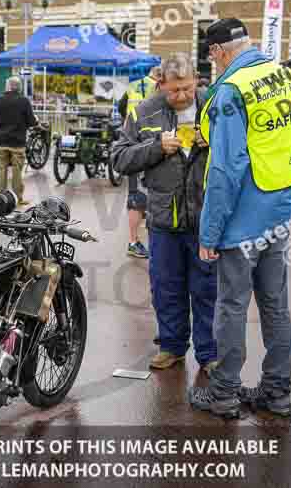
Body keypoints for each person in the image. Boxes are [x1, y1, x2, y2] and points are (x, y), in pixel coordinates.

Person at [187, 19, 291, 418]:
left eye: (212, 58)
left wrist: (210, 231)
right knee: (276, 305)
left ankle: (224, 391)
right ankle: (277, 392)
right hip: (277, 212)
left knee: (232, 306)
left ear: (218, 52)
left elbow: (226, 167)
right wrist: (289, 192)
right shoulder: (289, 80)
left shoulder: (231, 91)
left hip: (240, 218)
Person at [112, 53, 218, 374]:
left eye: (187, 88)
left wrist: (211, 141)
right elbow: (119, 157)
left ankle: (209, 352)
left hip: (205, 218)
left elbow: (240, 149)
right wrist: (157, 147)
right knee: (166, 287)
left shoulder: (213, 105)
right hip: (163, 219)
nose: (182, 96)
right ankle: (172, 346)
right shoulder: (145, 111)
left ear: (196, 80)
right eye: (174, 91)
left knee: (207, 288)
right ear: (161, 84)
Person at [118, 67, 161, 259]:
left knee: (136, 195)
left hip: (132, 142)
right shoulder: (158, 88)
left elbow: (121, 107)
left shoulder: (134, 85)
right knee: (141, 197)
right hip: (148, 144)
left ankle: (136, 240)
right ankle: (134, 242)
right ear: (160, 77)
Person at [0, 76, 39, 206]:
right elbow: (31, 122)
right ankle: (18, 198)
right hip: (18, 142)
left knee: (1, 168)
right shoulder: (24, 101)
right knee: (17, 170)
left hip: (1, 141)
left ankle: (0, 196)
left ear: (8, 87)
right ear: (19, 87)